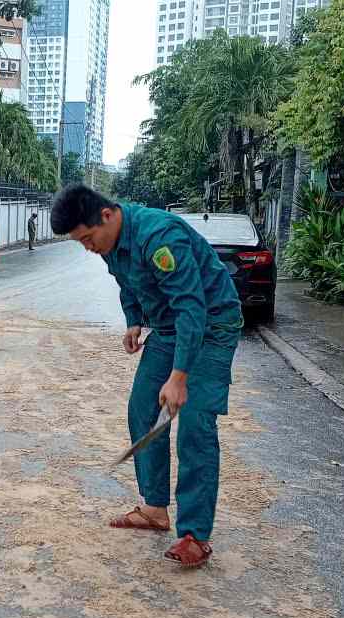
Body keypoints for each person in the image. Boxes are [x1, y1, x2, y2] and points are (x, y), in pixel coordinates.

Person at [50, 184, 243, 569]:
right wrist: (134, 320)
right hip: (169, 328)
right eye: (80, 243)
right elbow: (127, 282)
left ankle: (195, 534)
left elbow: (191, 308)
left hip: (211, 325)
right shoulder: (110, 244)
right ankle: (154, 508)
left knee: (194, 422)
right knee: (143, 410)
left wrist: (179, 376)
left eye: (87, 238)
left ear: (107, 215)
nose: (88, 248)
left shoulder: (159, 237)